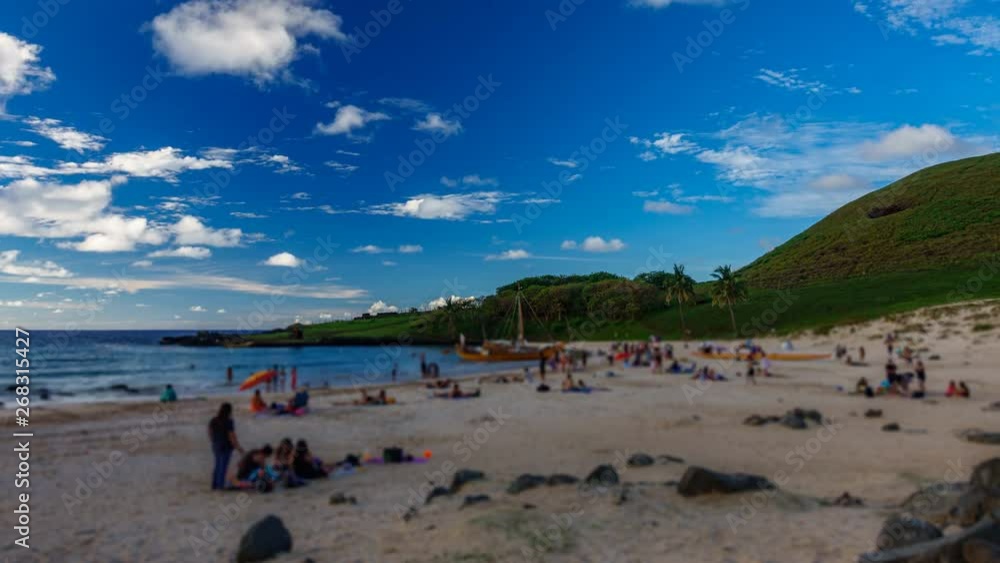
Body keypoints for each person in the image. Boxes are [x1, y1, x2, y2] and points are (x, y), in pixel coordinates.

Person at [208, 403, 244, 490]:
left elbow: (210, 432)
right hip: (226, 446)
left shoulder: (214, 420)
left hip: (216, 445)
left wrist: (214, 441)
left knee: (217, 465)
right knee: (223, 467)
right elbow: (231, 436)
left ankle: (214, 484)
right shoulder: (228, 421)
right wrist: (238, 447)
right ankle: (220, 486)